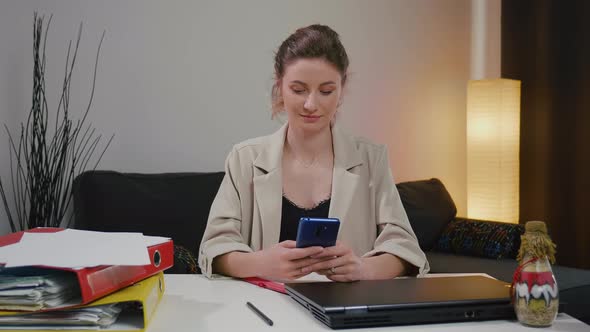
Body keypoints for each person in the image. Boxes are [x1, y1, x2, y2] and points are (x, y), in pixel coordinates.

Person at [198, 24, 429, 281]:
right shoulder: (245, 158)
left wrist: (363, 269)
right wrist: (259, 264)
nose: (311, 104)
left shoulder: (371, 158)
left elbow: (406, 248)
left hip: (345, 309)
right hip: (263, 310)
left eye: (326, 91)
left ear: (342, 89)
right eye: (298, 90)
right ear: (280, 86)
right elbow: (214, 248)